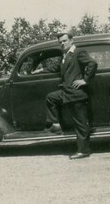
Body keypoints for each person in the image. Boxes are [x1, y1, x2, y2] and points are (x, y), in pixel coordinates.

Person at [40, 32, 98, 160]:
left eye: (64, 41)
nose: (62, 43)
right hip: (67, 92)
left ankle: (83, 151)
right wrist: (39, 70)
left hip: (77, 94)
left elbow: (92, 64)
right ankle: (55, 124)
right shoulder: (65, 55)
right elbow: (56, 68)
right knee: (51, 97)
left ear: (71, 40)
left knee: (81, 123)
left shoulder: (78, 52)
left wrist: (85, 80)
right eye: (60, 42)